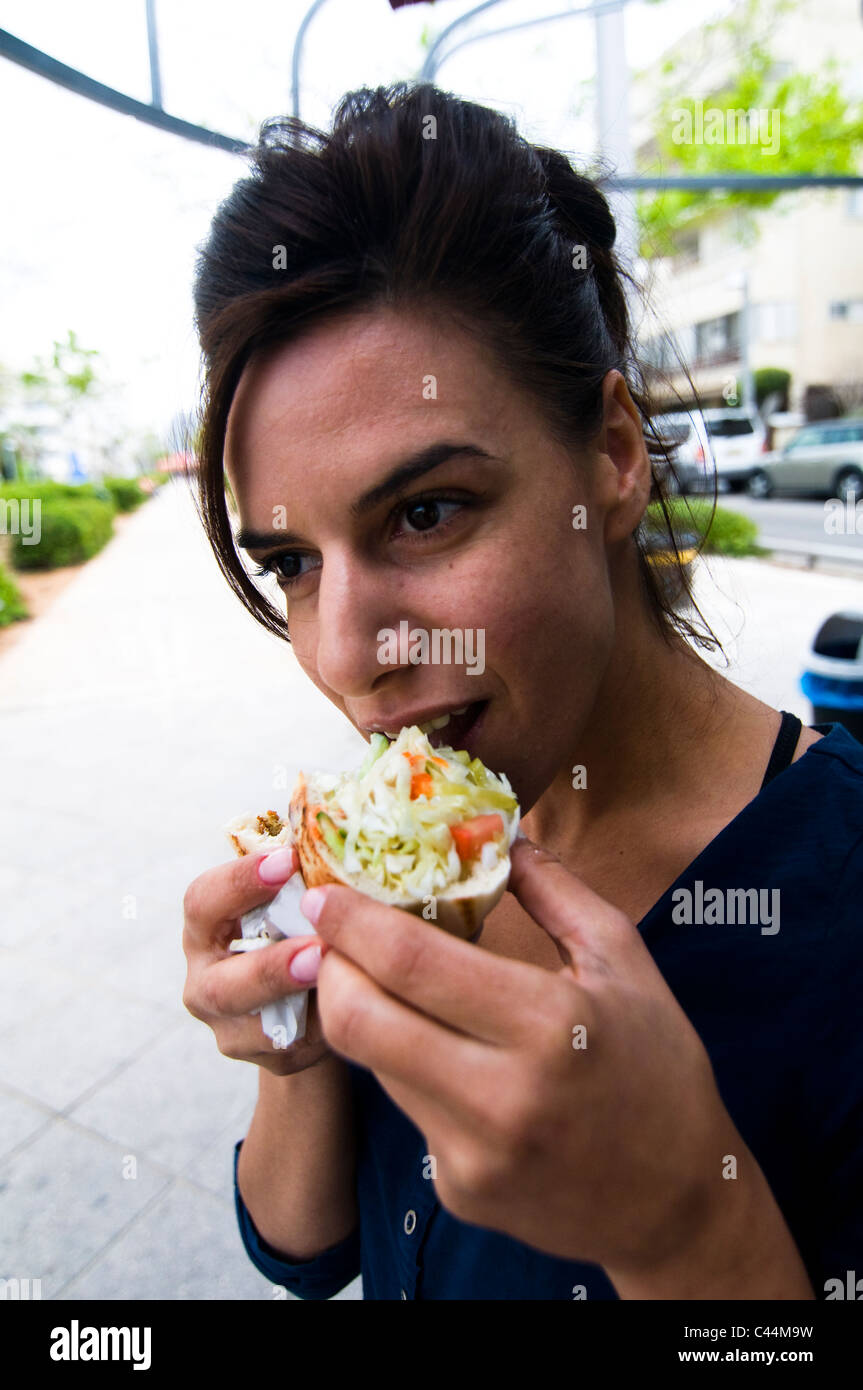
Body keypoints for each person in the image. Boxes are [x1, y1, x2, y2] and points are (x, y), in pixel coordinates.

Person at [182, 83, 863, 1300]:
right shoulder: (388, 861)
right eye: (290, 562)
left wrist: (683, 1229)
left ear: (609, 455)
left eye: (426, 512)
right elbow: (304, 1249)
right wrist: (291, 1056)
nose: (345, 654)